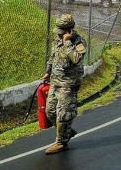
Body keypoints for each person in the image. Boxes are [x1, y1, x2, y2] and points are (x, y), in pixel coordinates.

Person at [41, 14, 86, 154]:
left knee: (63, 114)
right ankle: (66, 131)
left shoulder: (79, 42)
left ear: (69, 30)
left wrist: (67, 42)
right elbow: (53, 56)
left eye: (62, 31)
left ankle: (61, 143)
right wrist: (48, 72)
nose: (59, 33)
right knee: (50, 111)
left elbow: (76, 59)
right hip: (55, 81)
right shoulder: (57, 38)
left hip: (68, 84)